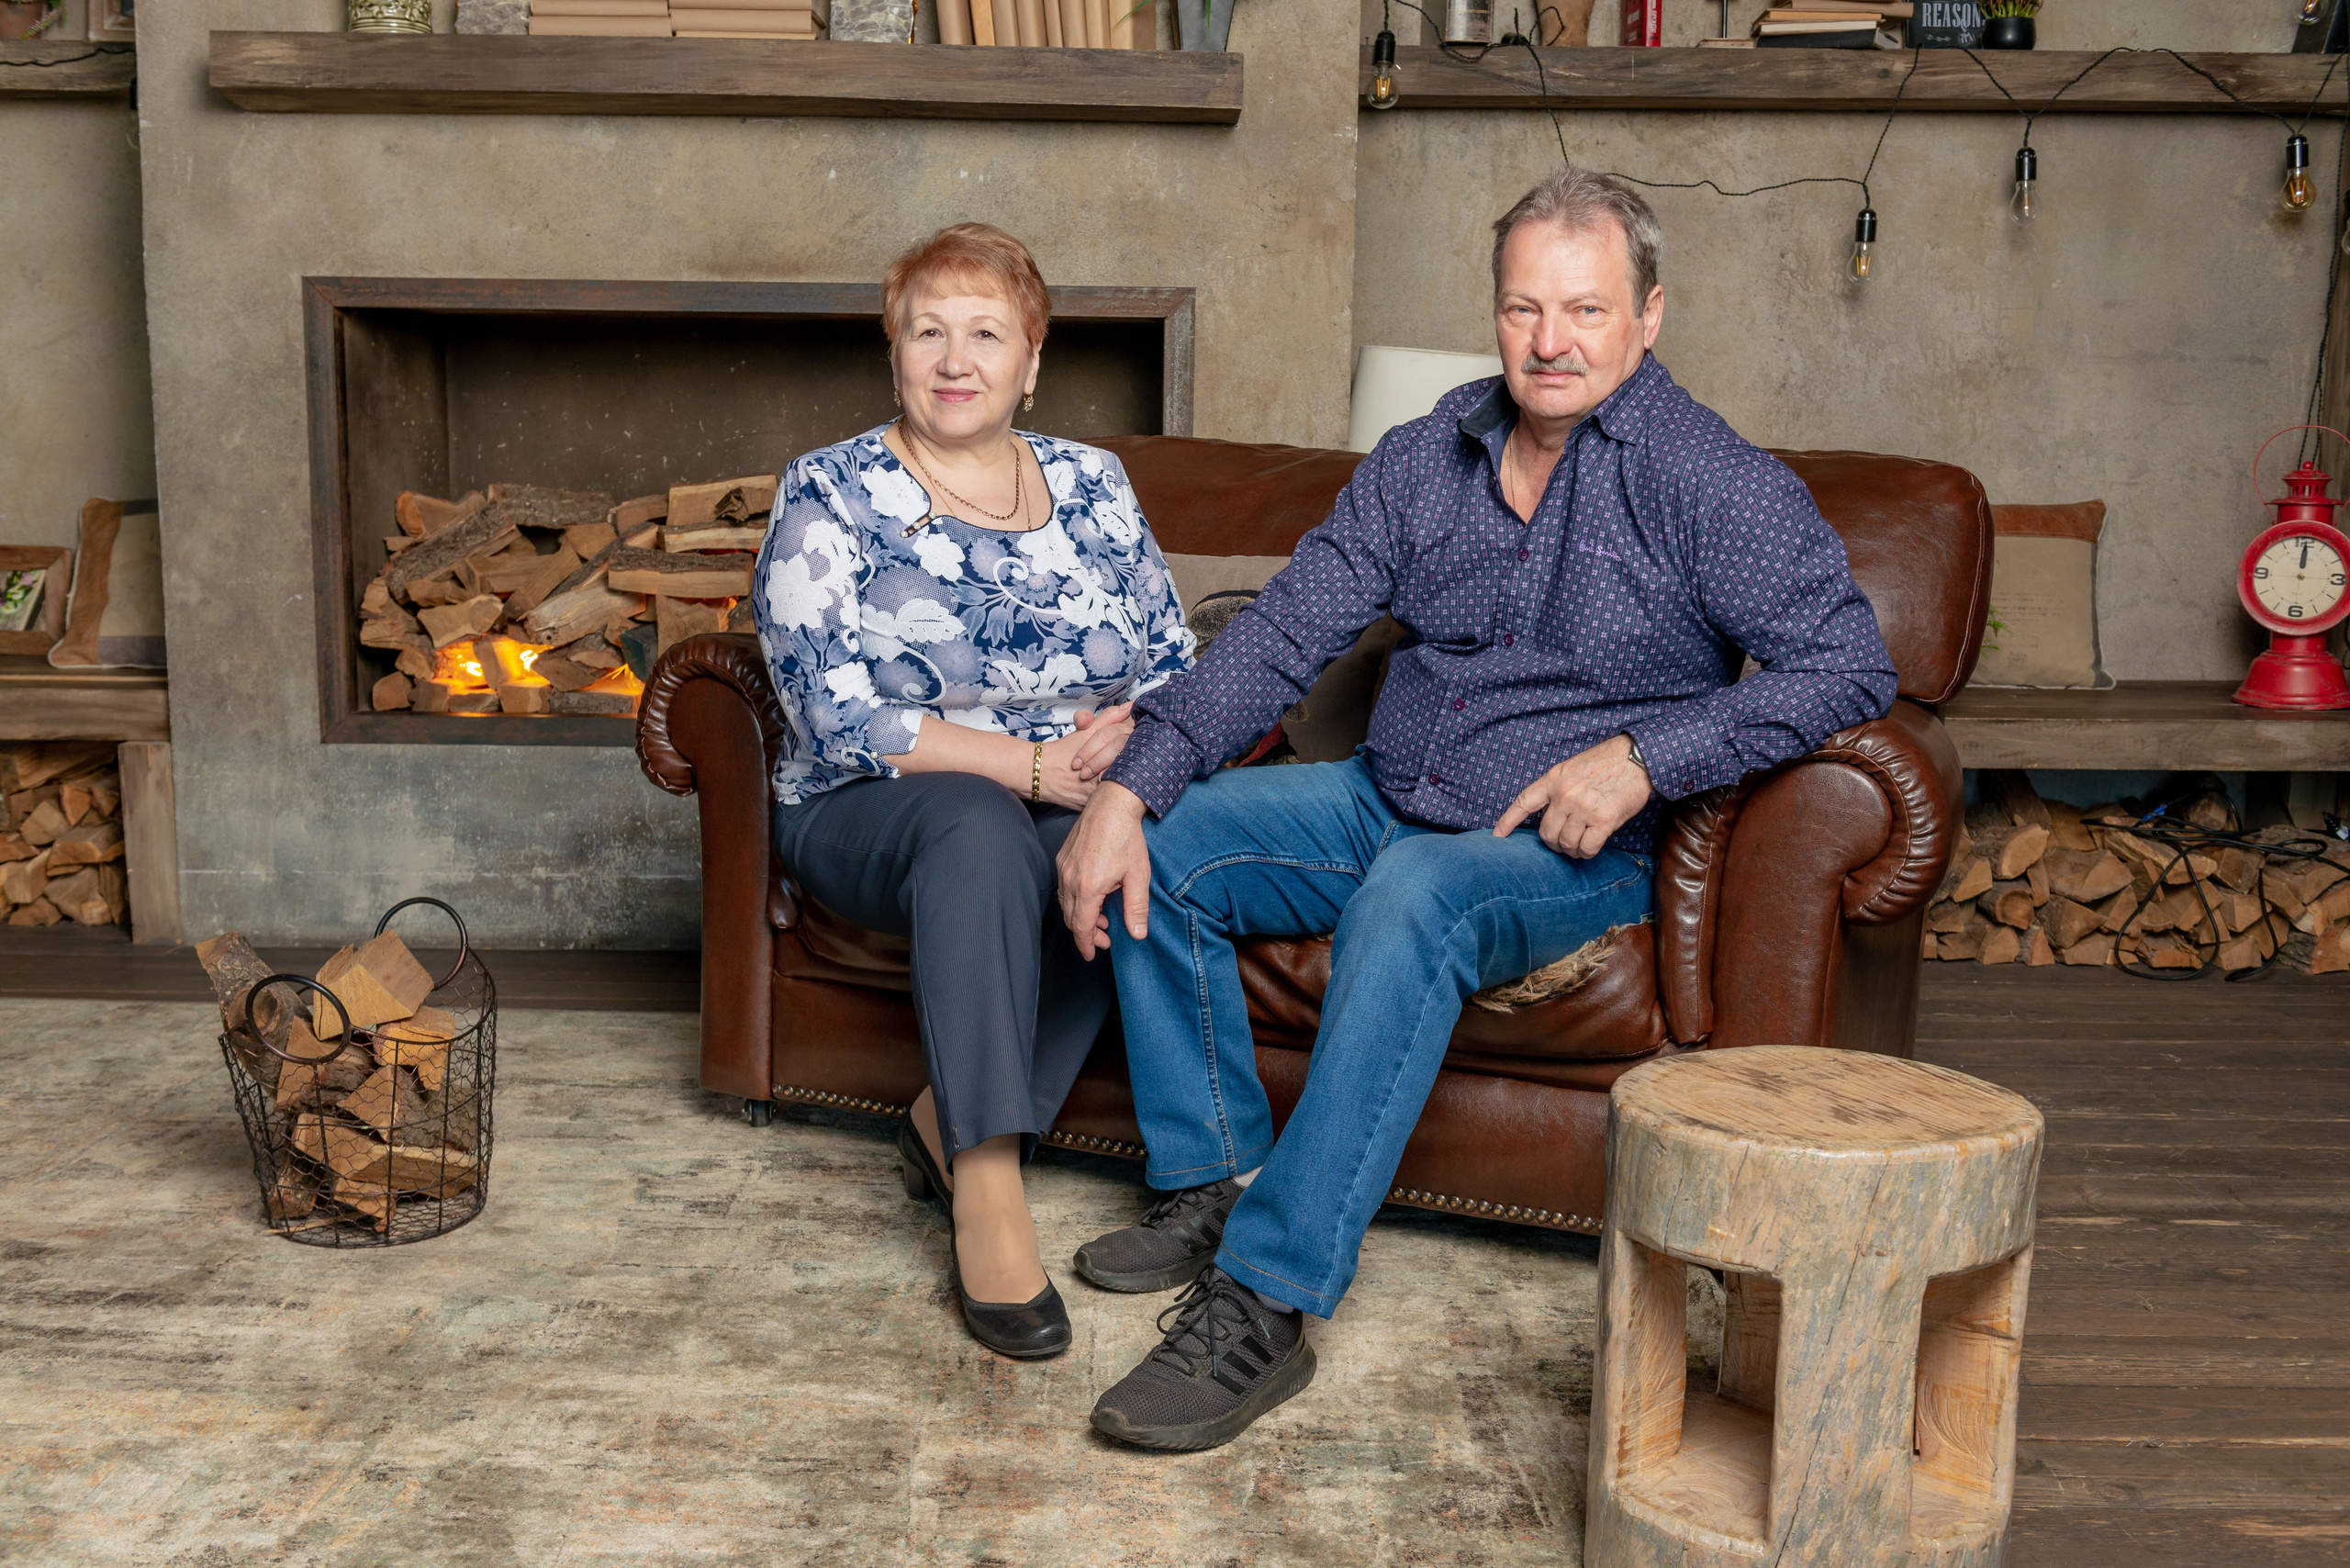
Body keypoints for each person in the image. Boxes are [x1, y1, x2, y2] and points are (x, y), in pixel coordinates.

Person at [1054, 167, 1900, 1449]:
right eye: (1522, 309)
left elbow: (1851, 665)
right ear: (1495, 313)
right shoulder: (1425, 458)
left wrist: (1647, 756)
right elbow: (1284, 636)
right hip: (1383, 795)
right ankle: (1214, 1177)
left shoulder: (1707, 482)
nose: (1550, 342)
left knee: (1414, 896)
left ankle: (1266, 1302)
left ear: (1650, 315)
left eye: (1585, 310)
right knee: (1168, 842)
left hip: (1562, 851)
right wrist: (1128, 784)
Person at [751, 222, 1191, 1361]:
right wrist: (1028, 764)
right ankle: (988, 1184)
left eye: (985, 333)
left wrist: (1126, 759)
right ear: (894, 353)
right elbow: (829, 708)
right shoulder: (831, 490)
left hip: (1065, 786)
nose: (956, 358)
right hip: (872, 802)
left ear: (1030, 361)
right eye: (928, 331)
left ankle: (943, 1119)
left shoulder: (1096, 484)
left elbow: (1175, 658)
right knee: (983, 827)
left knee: (1138, 842)